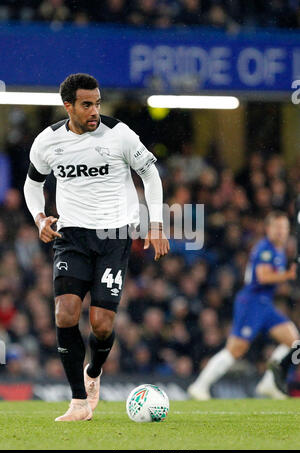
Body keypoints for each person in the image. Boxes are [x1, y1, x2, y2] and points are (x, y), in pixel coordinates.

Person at [24, 73, 169, 421]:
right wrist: (40, 217)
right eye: (87, 104)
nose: (94, 111)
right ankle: (78, 403)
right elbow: (32, 184)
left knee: (102, 324)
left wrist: (157, 222)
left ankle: (93, 373)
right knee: (64, 313)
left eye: (98, 103)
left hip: (113, 236)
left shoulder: (119, 134)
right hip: (71, 236)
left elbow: (150, 174)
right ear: (68, 106)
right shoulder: (47, 142)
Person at [188, 211, 299, 400]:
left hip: (265, 304)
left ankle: (269, 384)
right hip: (252, 302)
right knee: (236, 349)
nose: (281, 232)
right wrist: (288, 275)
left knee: (293, 341)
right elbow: (263, 276)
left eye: (284, 228)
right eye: (277, 227)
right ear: (268, 229)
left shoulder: (278, 249)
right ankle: (200, 386)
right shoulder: (265, 248)